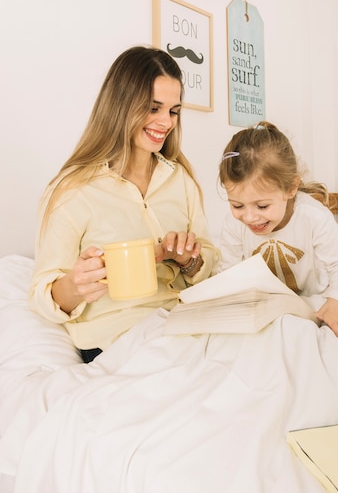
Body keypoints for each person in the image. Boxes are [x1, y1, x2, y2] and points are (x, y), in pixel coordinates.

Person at [30, 46, 220, 362]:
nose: (166, 122)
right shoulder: (74, 190)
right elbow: (42, 293)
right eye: (153, 108)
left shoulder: (180, 179)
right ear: (121, 106)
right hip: (115, 339)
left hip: (181, 324)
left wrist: (190, 261)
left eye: (173, 111)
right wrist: (76, 286)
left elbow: (209, 260)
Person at [218, 121, 338, 339]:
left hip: (316, 298)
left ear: (291, 188)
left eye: (262, 206)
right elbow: (228, 273)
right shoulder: (234, 223)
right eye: (237, 205)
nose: (249, 217)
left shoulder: (313, 216)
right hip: (270, 304)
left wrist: (337, 302)